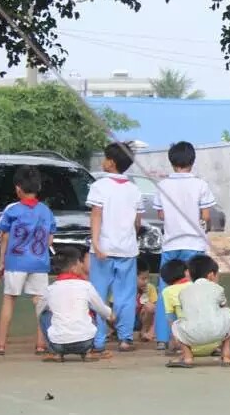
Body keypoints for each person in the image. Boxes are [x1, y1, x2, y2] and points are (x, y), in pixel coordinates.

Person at [153, 141, 217, 351]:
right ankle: (193, 335)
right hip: (193, 244)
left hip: (170, 244)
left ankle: (163, 338)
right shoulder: (200, 185)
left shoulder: (162, 185)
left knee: (166, 291)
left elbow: (160, 214)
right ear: (193, 160)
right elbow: (206, 216)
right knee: (195, 292)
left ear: (171, 162)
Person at [0, 166, 56, 357]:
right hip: (39, 263)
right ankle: (41, 345)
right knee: (40, 303)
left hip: (16, 262)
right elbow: (50, 239)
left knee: (9, 300)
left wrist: (2, 263)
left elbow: (5, 238)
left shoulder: (12, 210)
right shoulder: (46, 211)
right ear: (38, 187)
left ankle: (0, 345)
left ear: (18, 188)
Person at [86, 142, 144, 356]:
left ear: (111, 162)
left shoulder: (99, 186)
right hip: (127, 249)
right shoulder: (134, 189)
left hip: (103, 249)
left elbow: (96, 215)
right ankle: (125, 338)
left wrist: (95, 243)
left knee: (98, 295)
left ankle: (98, 339)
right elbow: (138, 223)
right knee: (126, 296)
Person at [36, 248, 114, 361]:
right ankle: (87, 353)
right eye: (80, 262)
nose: (82, 265)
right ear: (75, 265)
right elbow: (102, 310)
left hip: (58, 344)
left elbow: (39, 310)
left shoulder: (50, 289)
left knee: (44, 315)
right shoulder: (86, 286)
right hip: (85, 342)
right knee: (93, 310)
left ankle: (56, 353)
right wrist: (111, 314)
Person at [165, 255, 230, 368]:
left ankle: (187, 356)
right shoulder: (218, 288)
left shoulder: (183, 292)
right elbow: (223, 306)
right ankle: (226, 354)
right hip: (217, 332)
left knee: (176, 324)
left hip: (191, 336)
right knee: (228, 312)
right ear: (211, 275)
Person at [159, 258, 192, 352]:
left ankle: (180, 346)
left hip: (188, 338)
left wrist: (175, 340)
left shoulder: (167, 291)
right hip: (210, 338)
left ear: (165, 280)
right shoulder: (195, 284)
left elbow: (170, 318)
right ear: (186, 272)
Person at [134, 258, 158, 342]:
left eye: (147, 278)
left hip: (142, 320)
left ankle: (143, 332)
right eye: (143, 279)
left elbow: (154, 310)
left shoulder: (150, 287)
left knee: (150, 307)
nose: (146, 281)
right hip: (127, 319)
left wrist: (144, 295)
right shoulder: (125, 288)